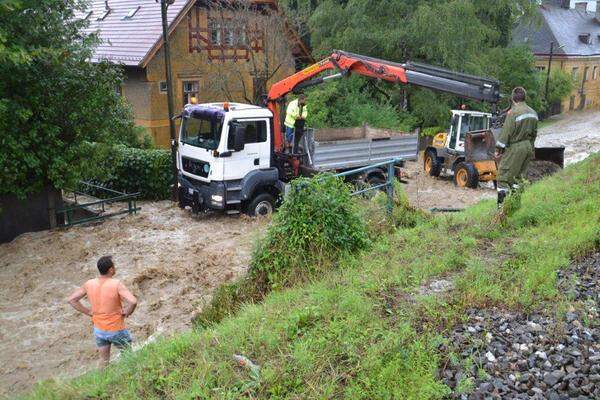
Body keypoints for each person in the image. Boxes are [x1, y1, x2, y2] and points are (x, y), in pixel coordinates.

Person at [68, 255, 137, 369]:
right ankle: (131, 376)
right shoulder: (116, 284)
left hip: (99, 330)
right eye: (114, 266)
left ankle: (102, 381)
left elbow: (71, 300)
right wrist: (127, 312)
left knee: (104, 360)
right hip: (116, 329)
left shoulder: (89, 283)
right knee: (128, 355)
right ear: (111, 269)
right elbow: (133, 301)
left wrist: (88, 312)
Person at [495, 87, 538, 206]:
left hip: (516, 147)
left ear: (513, 99)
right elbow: (534, 134)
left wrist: (499, 149)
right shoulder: (533, 113)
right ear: (524, 97)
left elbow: (506, 133)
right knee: (518, 178)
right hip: (528, 147)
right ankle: (515, 206)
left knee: (502, 178)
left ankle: (502, 210)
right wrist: (531, 149)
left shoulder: (513, 112)